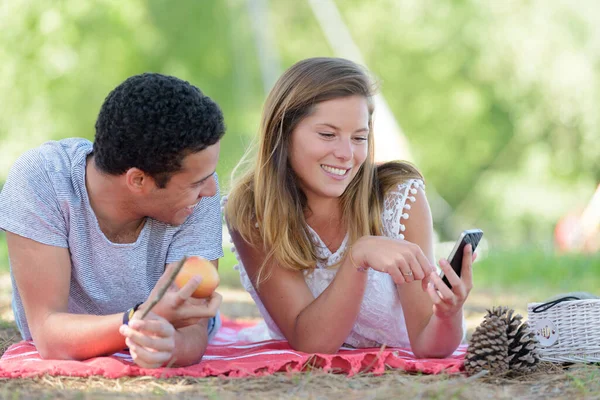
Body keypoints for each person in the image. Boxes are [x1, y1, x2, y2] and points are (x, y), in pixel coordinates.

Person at [224, 57, 475, 357]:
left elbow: (428, 344)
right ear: (283, 133)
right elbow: (312, 342)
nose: (346, 154)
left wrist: (448, 314)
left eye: (359, 138)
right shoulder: (252, 210)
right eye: (327, 135)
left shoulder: (398, 200)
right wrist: (359, 256)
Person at [0, 73, 226, 368]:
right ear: (138, 180)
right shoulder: (42, 180)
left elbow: (192, 328)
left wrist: (171, 347)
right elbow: (48, 333)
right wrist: (139, 320)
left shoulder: (199, 197)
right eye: (197, 183)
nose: (210, 192)